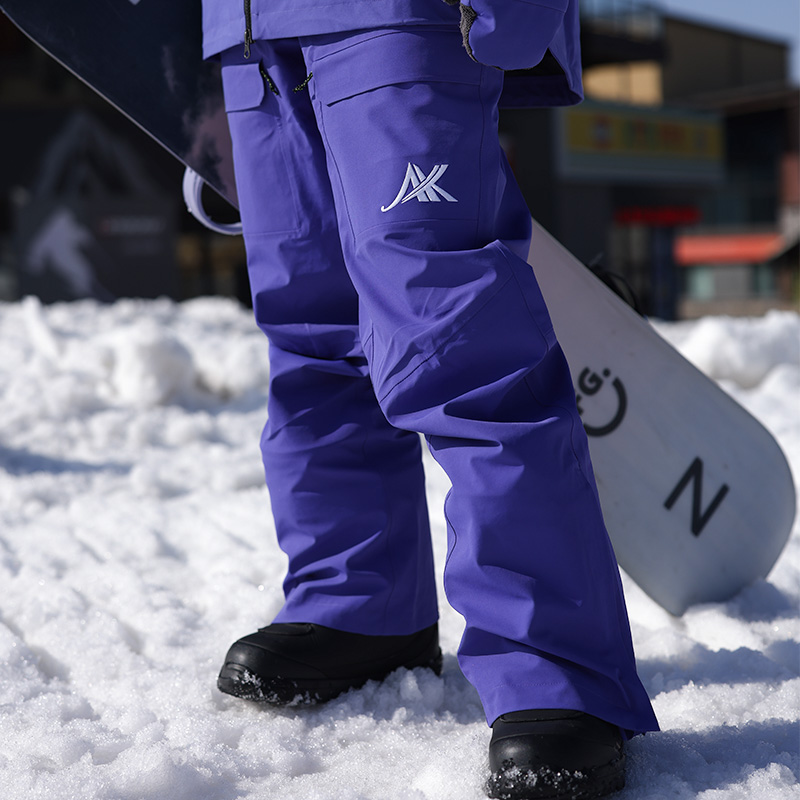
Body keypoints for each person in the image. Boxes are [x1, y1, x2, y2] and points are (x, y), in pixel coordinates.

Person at [201, 1, 659, 797]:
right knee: (313, 329)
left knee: (457, 342)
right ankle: (358, 600)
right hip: (248, 30)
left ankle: (556, 670)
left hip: (396, 13)